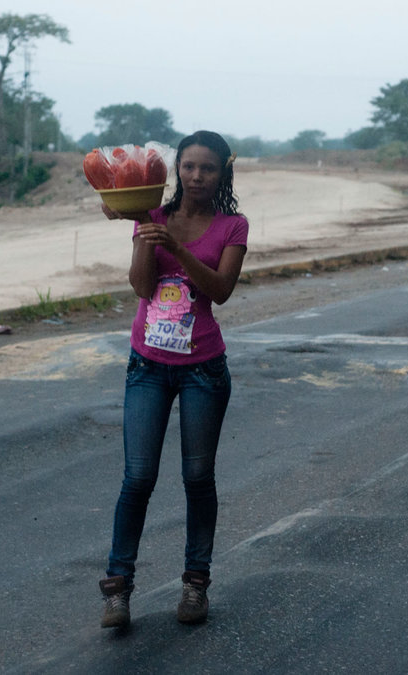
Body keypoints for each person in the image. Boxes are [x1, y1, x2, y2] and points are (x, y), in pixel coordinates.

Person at [97, 131, 248, 629]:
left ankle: (195, 584)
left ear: (223, 172)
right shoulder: (153, 217)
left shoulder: (233, 226)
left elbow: (220, 290)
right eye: (189, 166)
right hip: (148, 366)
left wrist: (179, 253)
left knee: (197, 479)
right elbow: (142, 287)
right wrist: (145, 230)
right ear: (175, 170)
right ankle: (118, 590)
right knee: (137, 479)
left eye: (208, 168)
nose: (197, 176)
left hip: (203, 369)